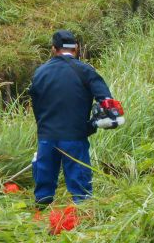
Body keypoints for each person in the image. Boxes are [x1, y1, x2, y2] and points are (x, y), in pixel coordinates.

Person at [29, 30, 113, 206]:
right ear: (76, 48)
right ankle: (81, 221)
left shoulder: (40, 73)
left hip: (46, 138)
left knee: (43, 193)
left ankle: (39, 220)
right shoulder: (85, 71)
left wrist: (44, 130)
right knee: (81, 193)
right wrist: (91, 125)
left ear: (53, 49)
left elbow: (36, 106)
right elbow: (107, 104)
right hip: (74, 137)